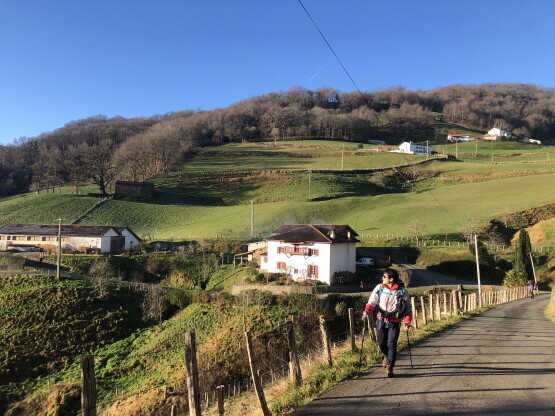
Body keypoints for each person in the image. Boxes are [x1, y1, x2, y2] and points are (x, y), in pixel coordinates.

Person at [363, 268, 412, 377]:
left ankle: (390, 366)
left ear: (391, 279)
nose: (383, 278)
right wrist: (367, 310)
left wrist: (407, 321)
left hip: (394, 322)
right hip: (381, 321)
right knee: (381, 343)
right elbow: (372, 301)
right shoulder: (379, 288)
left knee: (392, 343)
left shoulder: (402, 291)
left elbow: (408, 308)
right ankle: (387, 356)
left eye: (384, 276)